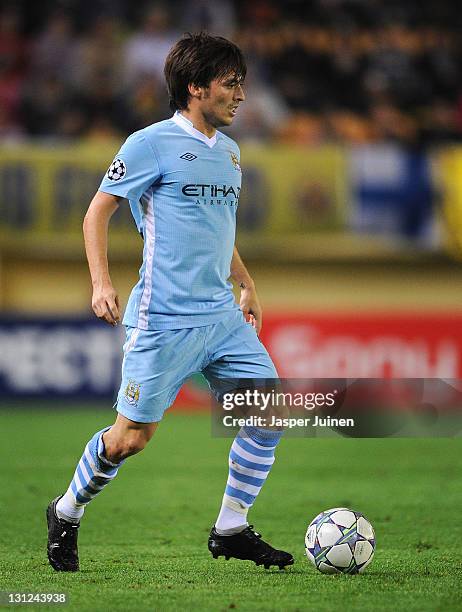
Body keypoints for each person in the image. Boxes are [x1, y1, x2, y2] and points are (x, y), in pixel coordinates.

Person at [46, 32, 293, 573]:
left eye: (241, 84)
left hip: (222, 318)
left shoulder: (230, 153)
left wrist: (245, 281)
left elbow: (217, 231)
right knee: (131, 439)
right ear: (195, 86)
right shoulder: (148, 144)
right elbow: (97, 213)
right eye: (230, 84)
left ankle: (230, 526)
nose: (241, 96)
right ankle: (66, 510)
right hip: (165, 318)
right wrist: (101, 283)